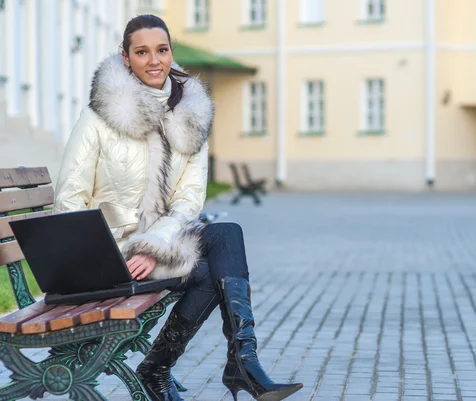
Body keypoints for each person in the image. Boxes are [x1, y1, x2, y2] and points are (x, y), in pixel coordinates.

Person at [53, 14, 302, 401]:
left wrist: (155, 245)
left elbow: (190, 198)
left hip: (159, 246)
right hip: (108, 256)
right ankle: (163, 368)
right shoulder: (99, 117)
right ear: (125, 58)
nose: (154, 61)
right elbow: (70, 198)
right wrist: (110, 257)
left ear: (171, 53)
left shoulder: (191, 116)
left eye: (162, 50)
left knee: (226, 234)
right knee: (207, 271)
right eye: (142, 52)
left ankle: (243, 359)